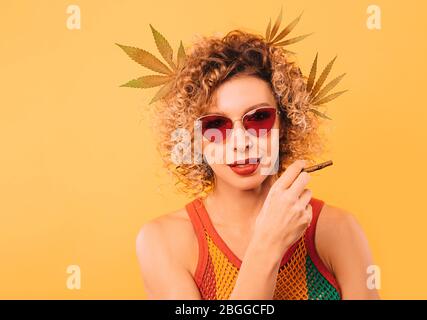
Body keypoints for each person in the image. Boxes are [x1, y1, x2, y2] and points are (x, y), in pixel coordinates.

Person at [121, 15, 380, 300]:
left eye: (258, 118)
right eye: (216, 125)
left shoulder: (338, 231)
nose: (241, 142)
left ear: (285, 124)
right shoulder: (162, 241)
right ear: (194, 138)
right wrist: (267, 244)